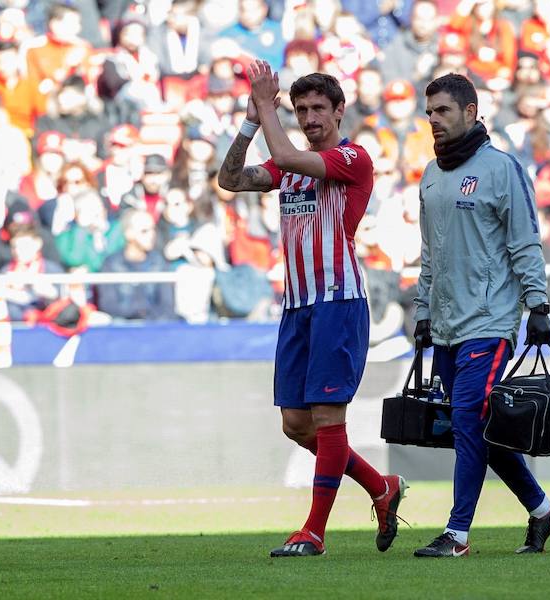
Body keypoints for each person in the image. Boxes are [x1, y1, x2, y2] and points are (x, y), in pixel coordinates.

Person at [217, 63, 405, 558]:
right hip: (298, 306)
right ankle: (381, 489)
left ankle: (314, 532)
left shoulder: (352, 158)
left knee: (326, 416)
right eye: (300, 110)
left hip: (338, 302)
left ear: (340, 110)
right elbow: (230, 179)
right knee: (296, 425)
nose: (309, 117)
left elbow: (284, 154)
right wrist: (253, 121)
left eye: (318, 108)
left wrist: (265, 105)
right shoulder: (290, 168)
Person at [412, 73, 550, 558]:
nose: (433, 119)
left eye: (443, 111)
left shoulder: (501, 169)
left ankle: (457, 534)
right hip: (446, 326)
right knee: (481, 428)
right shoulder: (430, 176)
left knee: (468, 423)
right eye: (429, 111)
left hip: (491, 322)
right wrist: (422, 314)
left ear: (471, 112)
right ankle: (543, 511)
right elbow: (429, 255)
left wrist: (537, 306)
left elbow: (524, 241)